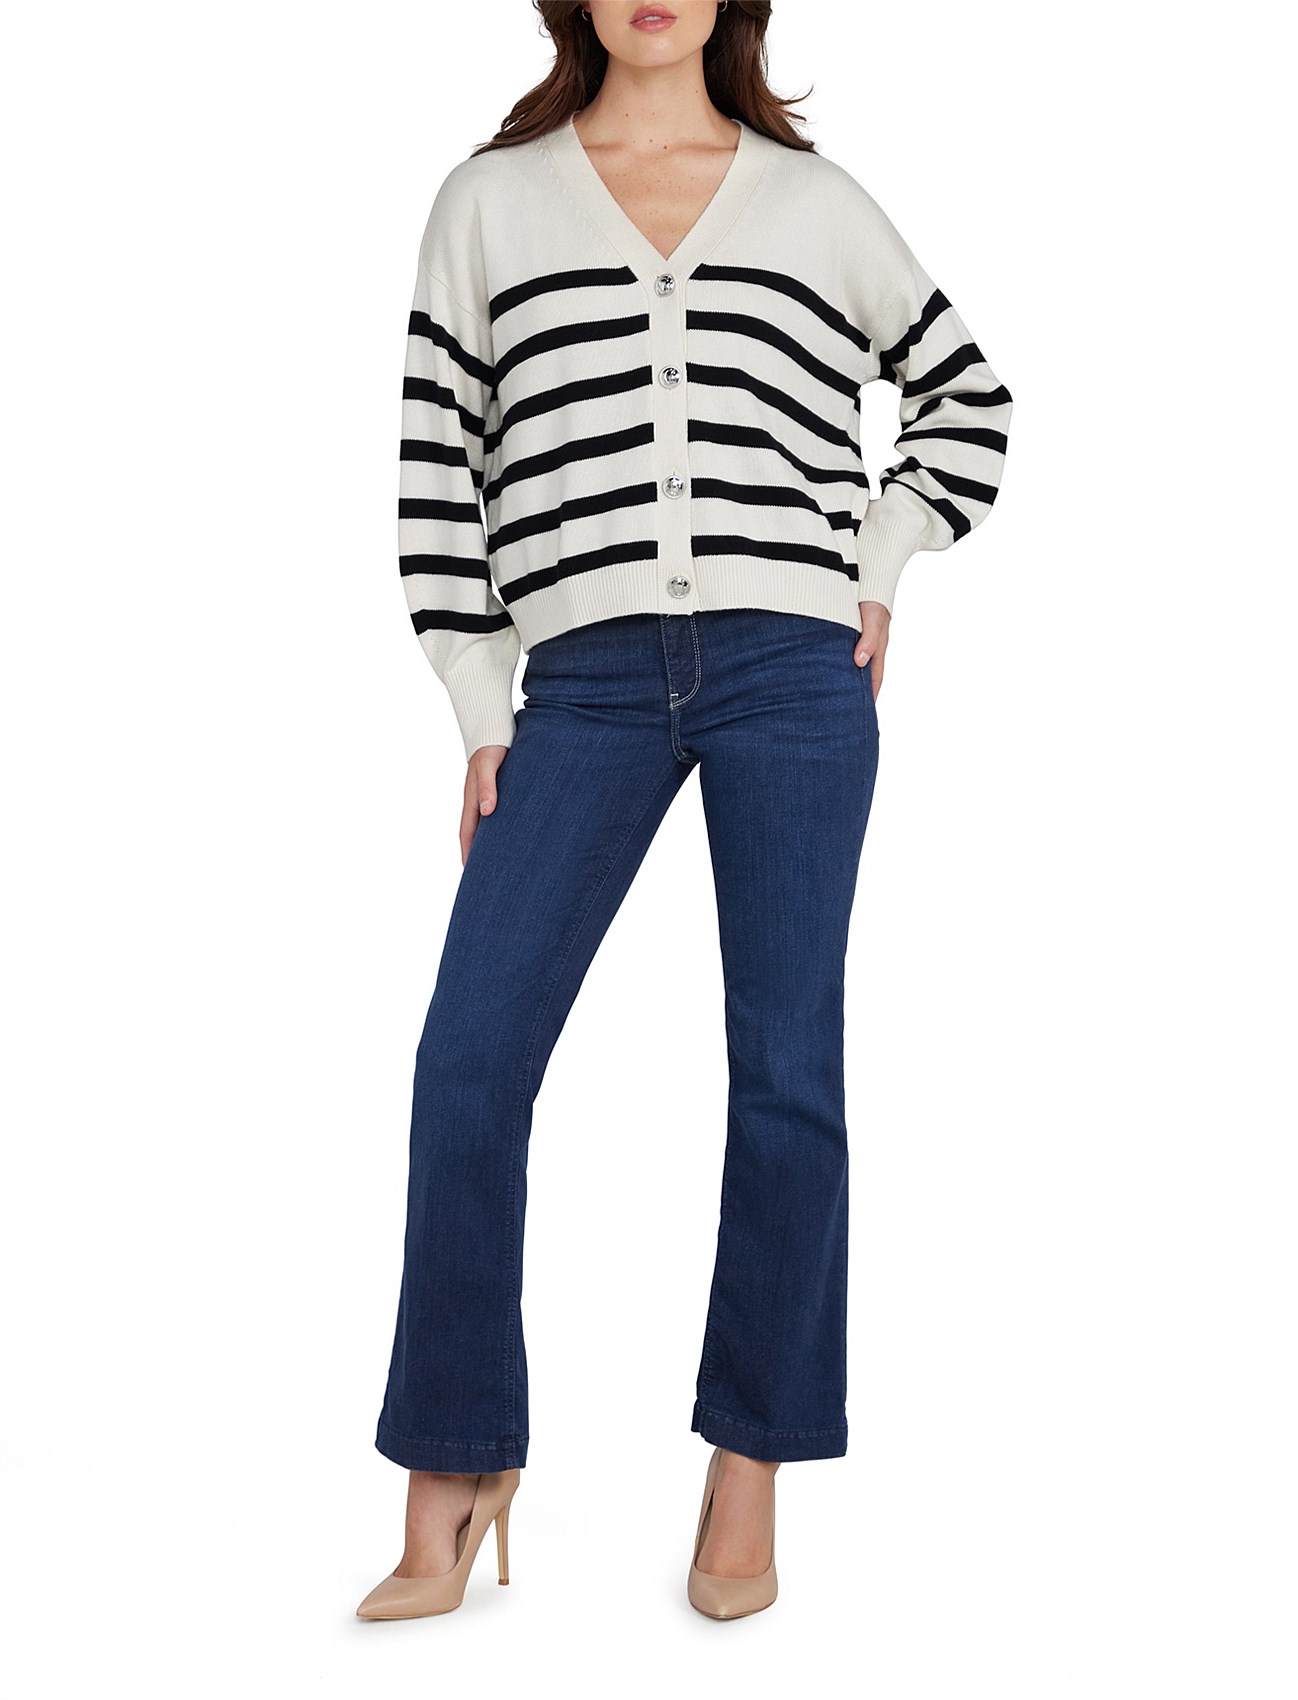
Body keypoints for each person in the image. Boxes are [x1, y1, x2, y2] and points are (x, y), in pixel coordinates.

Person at [356, 0, 1012, 1623]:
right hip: (577, 687)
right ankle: (455, 1460)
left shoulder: (816, 204)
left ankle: (751, 1461)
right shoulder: (489, 201)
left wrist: (878, 558)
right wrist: (479, 705)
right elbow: (437, 473)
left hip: (794, 669)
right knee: (468, 1062)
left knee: (787, 1067)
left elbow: (969, 400)